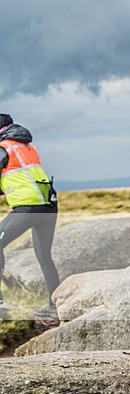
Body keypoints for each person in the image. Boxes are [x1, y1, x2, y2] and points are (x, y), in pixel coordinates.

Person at [0, 114, 60, 320]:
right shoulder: (25, 147)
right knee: (44, 257)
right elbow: (18, 176)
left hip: (28, 208)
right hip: (48, 206)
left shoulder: (4, 147)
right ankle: (54, 307)